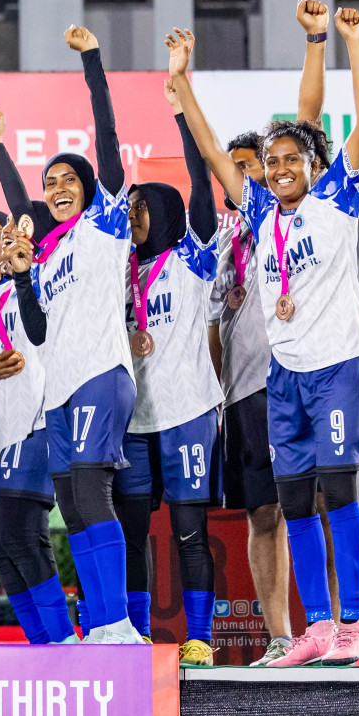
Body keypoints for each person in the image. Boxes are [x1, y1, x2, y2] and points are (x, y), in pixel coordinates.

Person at [169, 7, 359, 667]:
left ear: (313, 162)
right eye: (271, 161)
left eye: (291, 158)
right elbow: (208, 151)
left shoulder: (338, 196)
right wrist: (183, 82)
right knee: (292, 501)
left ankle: (352, 623)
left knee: (337, 489)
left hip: (340, 365)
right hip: (283, 378)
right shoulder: (260, 210)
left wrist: (352, 45)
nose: (279, 168)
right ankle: (315, 627)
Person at [0, 28, 143, 644]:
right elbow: (38, 331)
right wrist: (24, 278)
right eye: (48, 183)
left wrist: (92, 61)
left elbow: (107, 141)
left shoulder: (105, 221)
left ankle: (116, 623)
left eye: (65, 180)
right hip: (60, 388)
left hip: (100, 374)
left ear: (87, 186)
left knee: (92, 494)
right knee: (73, 508)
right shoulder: (47, 258)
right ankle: (100, 625)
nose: (56, 189)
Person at [204, 0, 337, 665]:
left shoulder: (294, 208)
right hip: (246, 395)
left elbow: (307, 122)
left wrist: (316, 42)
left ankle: (337, 625)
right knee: (262, 515)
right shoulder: (220, 239)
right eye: (235, 167)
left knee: (315, 504)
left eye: (254, 163)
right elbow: (211, 328)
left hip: (301, 373)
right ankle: (281, 635)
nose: (247, 174)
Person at [109, 78, 223, 665]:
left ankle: (198, 637)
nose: (132, 216)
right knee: (131, 532)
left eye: (140, 207)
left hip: (185, 413)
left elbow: (202, 183)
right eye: (128, 207)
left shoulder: (194, 256)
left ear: (166, 210)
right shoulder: (118, 268)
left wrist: (181, 115)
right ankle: (131, 633)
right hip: (132, 419)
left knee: (187, 530)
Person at [0, 111, 75, 645]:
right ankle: (42, 644)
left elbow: (23, 206)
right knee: (0, 544)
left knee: (24, 535)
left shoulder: (50, 271)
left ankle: (62, 640)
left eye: (23, 225)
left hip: (35, 421)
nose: (13, 232)